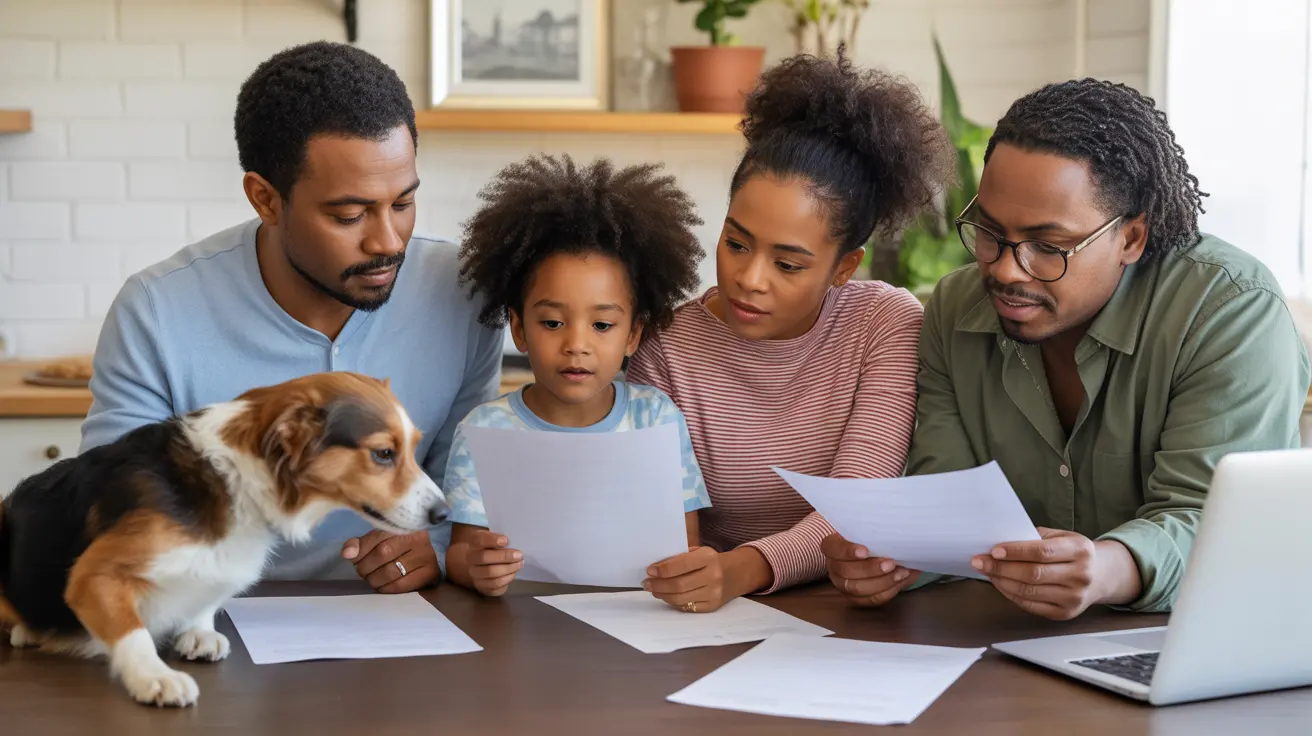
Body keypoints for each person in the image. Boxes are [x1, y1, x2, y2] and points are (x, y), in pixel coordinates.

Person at [822, 78, 1312, 619]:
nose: (1006, 269)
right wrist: (895, 557)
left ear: (1131, 238)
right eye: (990, 233)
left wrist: (1107, 568)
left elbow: (1216, 525)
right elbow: (950, 503)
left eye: (1048, 247)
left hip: (1198, 642)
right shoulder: (954, 313)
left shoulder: (1229, 311)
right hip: (1011, 650)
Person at [81, 42, 504, 592]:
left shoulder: (465, 294)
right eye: (349, 214)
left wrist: (440, 551)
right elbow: (111, 518)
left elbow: (468, 493)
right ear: (266, 199)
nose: (387, 240)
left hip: (404, 629)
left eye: (402, 203)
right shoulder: (155, 312)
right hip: (207, 631)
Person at [624, 52, 956, 612]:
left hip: (846, 609)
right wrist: (714, 576)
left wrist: (742, 569)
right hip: (703, 612)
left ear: (845, 267)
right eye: (736, 243)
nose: (748, 280)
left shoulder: (883, 325)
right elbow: (661, 529)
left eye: (789, 264)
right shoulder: (665, 347)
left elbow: (853, 508)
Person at [440, 154, 712, 597]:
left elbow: (687, 545)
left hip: (638, 624)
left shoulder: (656, 419)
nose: (576, 344)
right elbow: (460, 554)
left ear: (633, 334)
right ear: (518, 329)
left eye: (602, 325)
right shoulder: (483, 430)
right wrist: (476, 568)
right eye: (552, 323)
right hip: (523, 630)